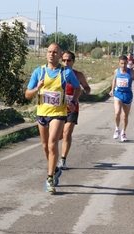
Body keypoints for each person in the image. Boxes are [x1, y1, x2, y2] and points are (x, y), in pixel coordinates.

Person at [25, 43, 81, 194]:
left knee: (52, 144)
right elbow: (27, 94)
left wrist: (73, 102)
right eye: (49, 52)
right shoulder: (39, 72)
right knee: (45, 146)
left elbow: (78, 88)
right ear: (46, 54)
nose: (52, 54)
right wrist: (37, 88)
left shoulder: (66, 73)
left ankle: (50, 178)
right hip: (42, 113)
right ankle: (55, 169)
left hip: (58, 114)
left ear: (60, 54)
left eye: (55, 52)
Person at [57, 50, 91, 170]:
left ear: (73, 61)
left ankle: (63, 160)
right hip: (58, 108)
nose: (66, 63)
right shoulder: (58, 73)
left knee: (67, 133)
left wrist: (83, 92)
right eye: (64, 60)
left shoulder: (78, 75)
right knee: (59, 135)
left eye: (69, 60)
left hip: (72, 108)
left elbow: (88, 88)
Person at [109, 55, 134, 142]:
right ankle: (116, 128)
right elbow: (114, 80)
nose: (123, 65)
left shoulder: (131, 72)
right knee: (117, 112)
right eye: (121, 63)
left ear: (127, 63)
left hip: (127, 95)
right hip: (118, 94)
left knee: (125, 116)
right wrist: (112, 90)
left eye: (125, 63)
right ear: (119, 63)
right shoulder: (116, 71)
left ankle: (123, 132)